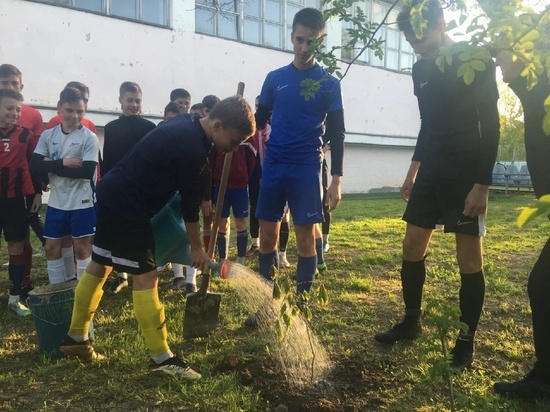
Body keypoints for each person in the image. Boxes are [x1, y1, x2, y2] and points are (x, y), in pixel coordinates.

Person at [58, 95, 255, 378]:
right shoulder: (192, 146)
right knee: (146, 276)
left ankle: (77, 338)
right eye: (234, 141)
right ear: (218, 125)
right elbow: (189, 204)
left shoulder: (188, 124)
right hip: (128, 206)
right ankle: (162, 358)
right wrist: (197, 249)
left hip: (113, 194)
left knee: (100, 264)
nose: (233, 149)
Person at [374, 0, 500, 372]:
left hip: (466, 174)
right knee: (411, 246)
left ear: (441, 23)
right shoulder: (420, 68)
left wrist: (482, 184)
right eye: (410, 38)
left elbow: (490, 123)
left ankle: (465, 341)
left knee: (469, 260)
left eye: (421, 35)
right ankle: (412, 321)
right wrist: (414, 171)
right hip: (431, 173)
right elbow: (427, 124)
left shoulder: (473, 58)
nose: (416, 43)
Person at [253, 7, 345, 317]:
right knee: (267, 235)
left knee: (306, 238)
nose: (305, 48)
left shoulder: (329, 83)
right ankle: (267, 304)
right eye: (300, 40)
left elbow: (338, 133)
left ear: (322, 43)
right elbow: (259, 120)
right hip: (275, 166)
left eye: (313, 43)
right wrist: (235, 128)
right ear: (292, 38)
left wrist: (336, 180)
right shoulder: (275, 79)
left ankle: (301, 307)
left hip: (307, 167)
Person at [492, 51, 550, 401]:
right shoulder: (534, 87)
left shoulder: (541, 85)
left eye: (501, 52)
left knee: (542, 284)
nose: (497, 61)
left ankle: (544, 379)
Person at [31, 87, 99, 284]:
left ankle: (84, 298)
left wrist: (51, 167)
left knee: (81, 248)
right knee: (52, 248)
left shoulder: (89, 138)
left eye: (80, 111)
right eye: (69, 110)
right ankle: (58, 292)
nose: (75, 116)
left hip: (82, 202)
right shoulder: (48, 135)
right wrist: (63, 163)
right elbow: (34, 165)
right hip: (56, 203)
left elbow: (85, 172)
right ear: (59, 107)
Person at [102, 81, 156, 294]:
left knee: (141, 234)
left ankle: (144, 273)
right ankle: (121, 276)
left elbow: (153, 161)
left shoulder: (149, 128)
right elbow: (108, 161)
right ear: (121, 101)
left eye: (138, 101)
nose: (134, 105)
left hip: (141, 189)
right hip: (117, 189)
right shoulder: (111, 128)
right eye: (130, 100)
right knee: (118, 232)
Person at [0, 64, 44, 297]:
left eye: (17, 109)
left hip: (17, 198)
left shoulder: (27, 128)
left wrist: (37, 191)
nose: (15, 113)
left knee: (18, 243)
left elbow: (32, 161)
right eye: (9, 108)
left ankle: (18, 291)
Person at [160, 101, 198, 294]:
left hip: (186, 195)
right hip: (165, 197)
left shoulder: (191, 140)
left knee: (189, 236)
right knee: (173, 236)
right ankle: (178, 276)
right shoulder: (157, 138)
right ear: (164, 119)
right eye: (168, 120)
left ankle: (192, 280)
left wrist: (206, 197)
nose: (172, 125)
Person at [209, 120, 257, 266]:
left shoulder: (247, 137)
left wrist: (243, 176)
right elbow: (211, 160)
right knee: (221, 222)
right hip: (220, 185)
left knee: (240, 221)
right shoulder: (219, 134)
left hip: (239, 187)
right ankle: (223, 259)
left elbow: (252, 159)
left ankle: (241, 260)